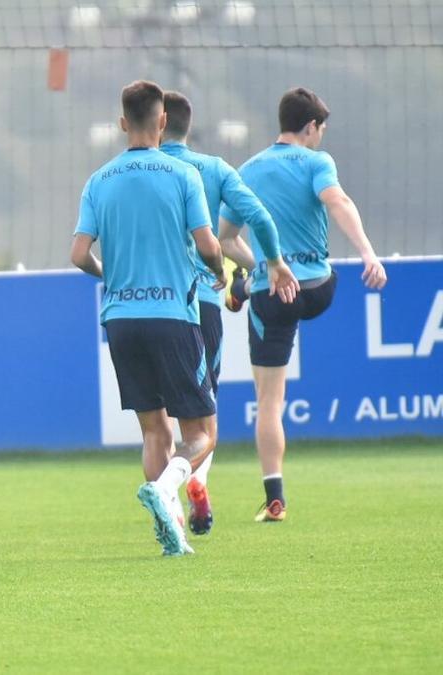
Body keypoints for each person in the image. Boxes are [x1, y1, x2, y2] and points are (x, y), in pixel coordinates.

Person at [70, 81, 231, 556]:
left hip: (121, 318)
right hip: (172, 317)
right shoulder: (183, 175)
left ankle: (173, 533)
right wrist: (219, 268)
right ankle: (167, 490)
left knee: (152, 430)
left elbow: (79, 254)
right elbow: (206, 244)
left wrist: (110, 275)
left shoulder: (99, 180)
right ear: (163, 122)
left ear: (123, 123)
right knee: (199, 433)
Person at [219, 87, 387, 522]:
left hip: (272, 295)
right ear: (310, 127)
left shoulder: (248, 170)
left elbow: (225, 238)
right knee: (317, 273)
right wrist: (368, 252)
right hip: (316, 290)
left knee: (269, 400)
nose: (321, 139)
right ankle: (250, 283)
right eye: (321, 131)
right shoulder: (317, 163)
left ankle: (275, 499)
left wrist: (266, 267)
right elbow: (338, 202)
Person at [159, 91, 298, 535]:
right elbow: (259, 217)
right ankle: (196, 479)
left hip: (154, 303)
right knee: (204, 410)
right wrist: (272, 262)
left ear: (157, 124)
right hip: (202, 300)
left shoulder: (140, 170)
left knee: (160, 414)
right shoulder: (216, 169)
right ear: (187, 123)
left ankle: (170, 497)